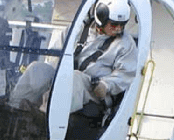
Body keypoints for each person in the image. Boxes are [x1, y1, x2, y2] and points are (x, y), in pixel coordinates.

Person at [9, 0, 137, 115]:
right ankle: (13, 110)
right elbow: (55, 54)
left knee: (74, 78)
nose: (118, 29)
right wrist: (52, 75)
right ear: (101, 17)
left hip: (95, 90)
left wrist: (106, 85)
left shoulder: (126, 44)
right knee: (37, 69)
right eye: (114, 24)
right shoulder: (76, 29)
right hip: (65, 78)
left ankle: (44, 118)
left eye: (122, 25)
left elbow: (125, 74)